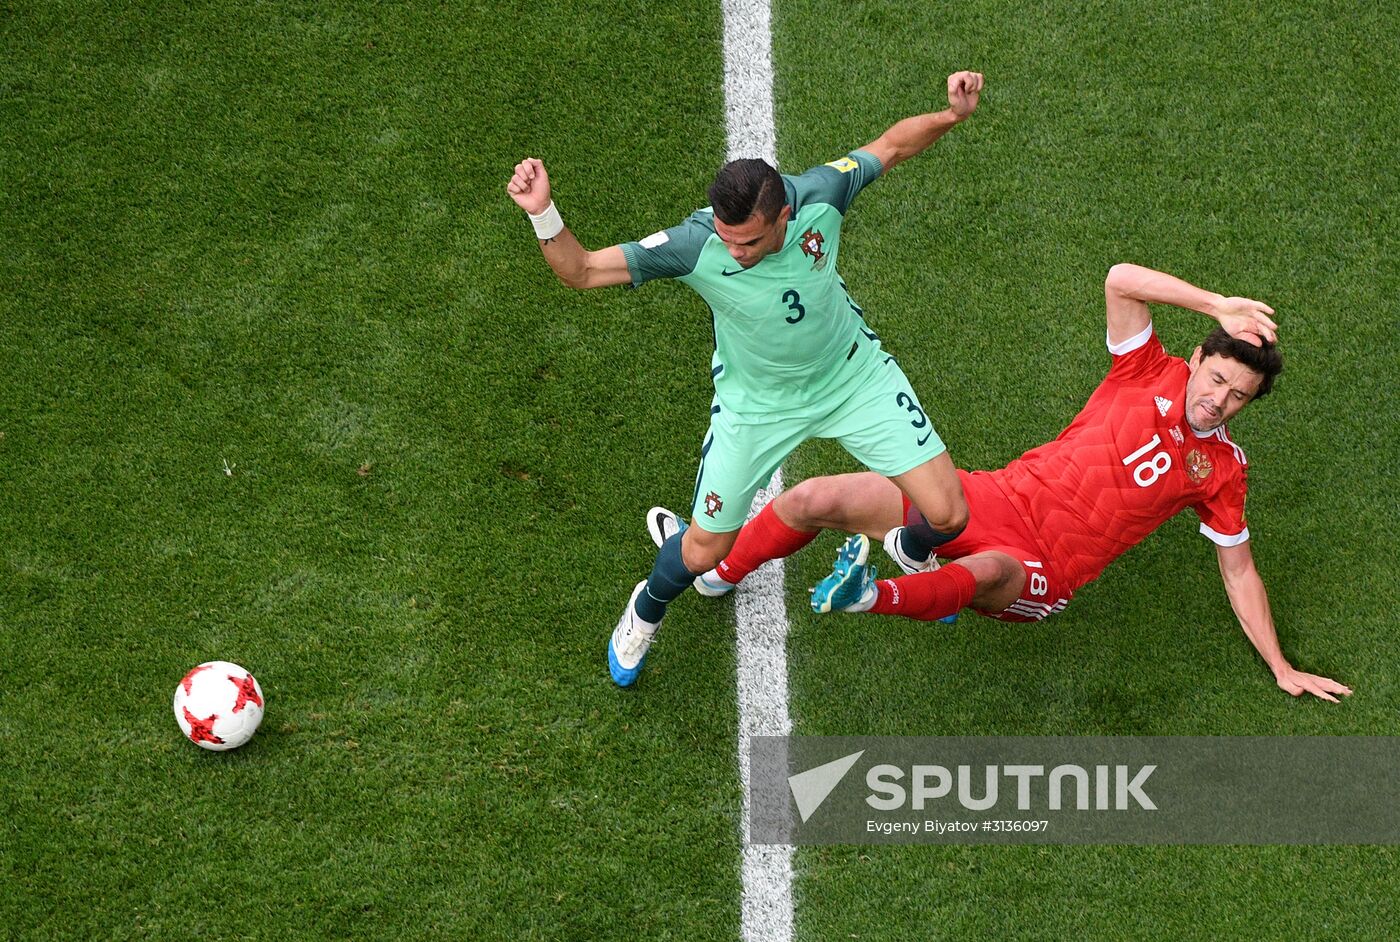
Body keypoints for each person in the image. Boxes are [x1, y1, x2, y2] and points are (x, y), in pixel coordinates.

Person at [663, 263, 1351, 702]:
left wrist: (1282, 666)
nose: (1219, 400)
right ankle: (719, 573)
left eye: (1238, 398)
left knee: (982, 573)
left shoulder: (1223, 472)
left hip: (1044, 569)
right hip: (993, 496)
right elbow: (1119, 278)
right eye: (1219, 378)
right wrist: (1217, 300)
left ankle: (871, 594)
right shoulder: (1147, 369)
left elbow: (1239, 572)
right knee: (816, 497)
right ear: (1199, 356)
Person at [507, 72, 986, 687]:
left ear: (784, 214)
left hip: (853, 377)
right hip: (756, 406)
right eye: (727, 240)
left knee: (948, 515)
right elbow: (581, 271)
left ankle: (910, 552)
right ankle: (645, 609)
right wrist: (543, 212)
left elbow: (891, 145)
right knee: (705, 552)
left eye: (750, 242)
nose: (734, 252)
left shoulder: (821, 193)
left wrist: (952, 116)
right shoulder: (694, 244)